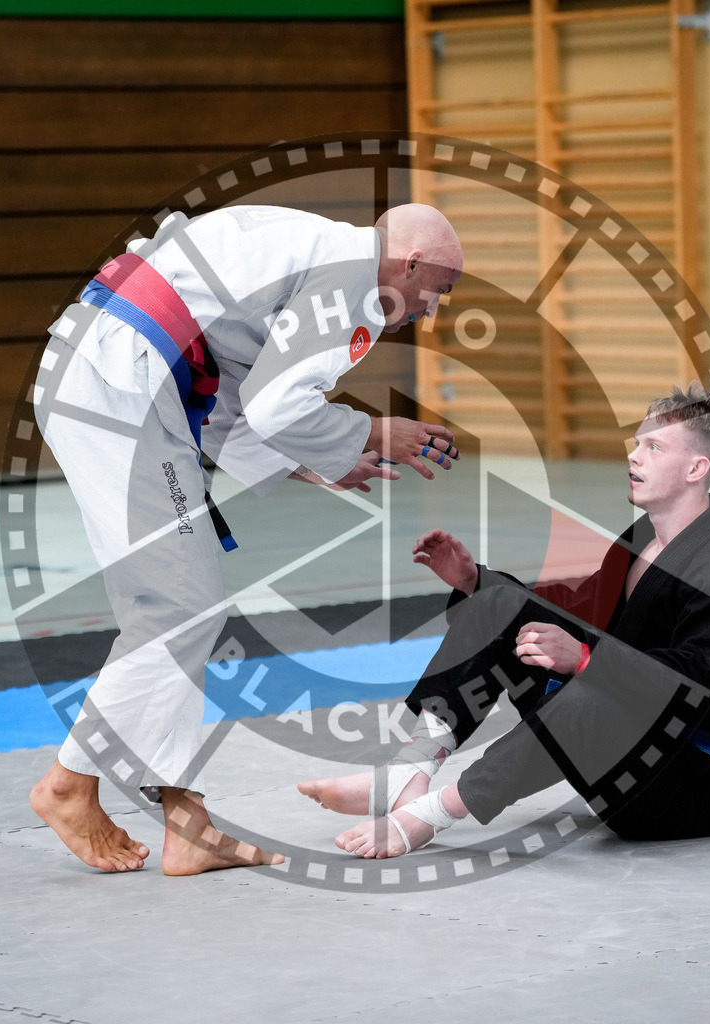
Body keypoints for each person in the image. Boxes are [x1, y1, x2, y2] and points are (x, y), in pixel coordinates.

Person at [29, 203, 464, 873]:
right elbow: (275, 404)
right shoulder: (351, 275)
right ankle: (69, 784)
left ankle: (188, 826)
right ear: (410, 263)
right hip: (121, 384)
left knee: (177, 608)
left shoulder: (315, 250)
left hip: (119, 375)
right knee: (181, 607)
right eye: (440, 287)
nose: (432, 309)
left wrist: (310, 464)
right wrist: (376, 431)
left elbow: (236, 390)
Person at [299, 383, 710, 858]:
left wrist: (586, 659)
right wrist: (475, 583)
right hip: (625, 740)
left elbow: (699, 687)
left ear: (697, 468)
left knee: (583, 695)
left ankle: (432, 814)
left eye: (654, 447)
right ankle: (410, 770)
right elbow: (581, 608)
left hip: (691, 781)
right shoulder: (643, 541)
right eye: (637, 443)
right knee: (498, 606)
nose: (634, 456)